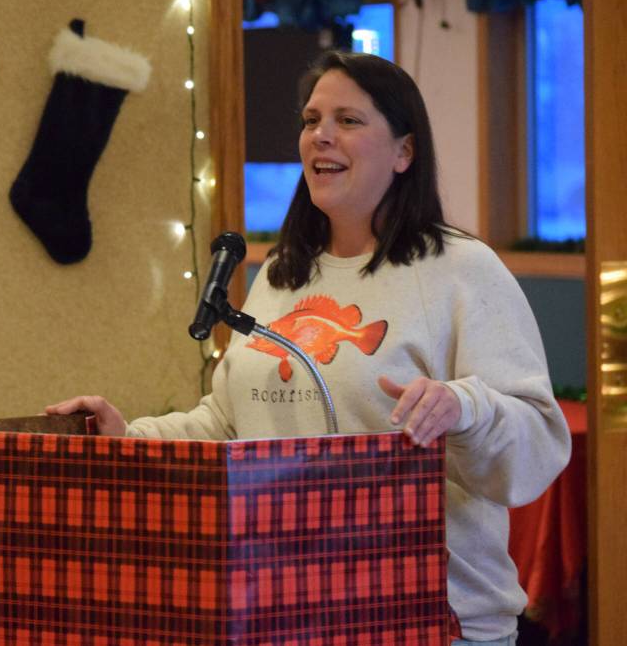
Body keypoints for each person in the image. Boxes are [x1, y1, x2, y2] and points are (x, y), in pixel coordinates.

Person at [47, 51, 571, 645]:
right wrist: (128, 438)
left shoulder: (461, 270)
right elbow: (226, 426)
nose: (320, 135)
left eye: (348, 120)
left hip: (434, 621)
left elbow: (537, 446)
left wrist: (464, 409)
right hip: (291, 614)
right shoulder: (279, 274)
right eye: (311, 119)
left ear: (404, 152)